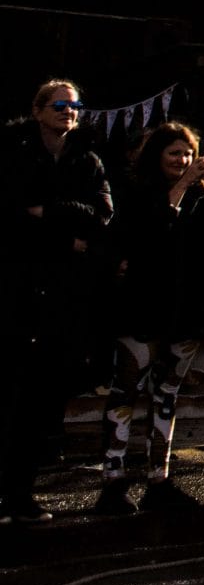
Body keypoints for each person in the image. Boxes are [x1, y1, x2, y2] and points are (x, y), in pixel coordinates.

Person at [100, 123, 204, 513]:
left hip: (188, 308)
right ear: (157, 156)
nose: (182, 162)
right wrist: (179, 189)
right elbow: (147, 231)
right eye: (174, 155)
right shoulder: (135, 189)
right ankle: (113, 479)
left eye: (187, 154)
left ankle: (158, 479)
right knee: (126, 391)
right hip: (142, 308)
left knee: (167, 395)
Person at [1, 79, 112, 523]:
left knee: (40, 402)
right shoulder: (11, 151)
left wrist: (47, 214)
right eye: (60, 104)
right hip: (11, 290)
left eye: (76, 105)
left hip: (60, 298)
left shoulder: (86, 159)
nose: (69, 111)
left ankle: (21, 495)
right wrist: (67, 235)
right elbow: (8, 210)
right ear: (37, 109)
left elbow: (101, 215)